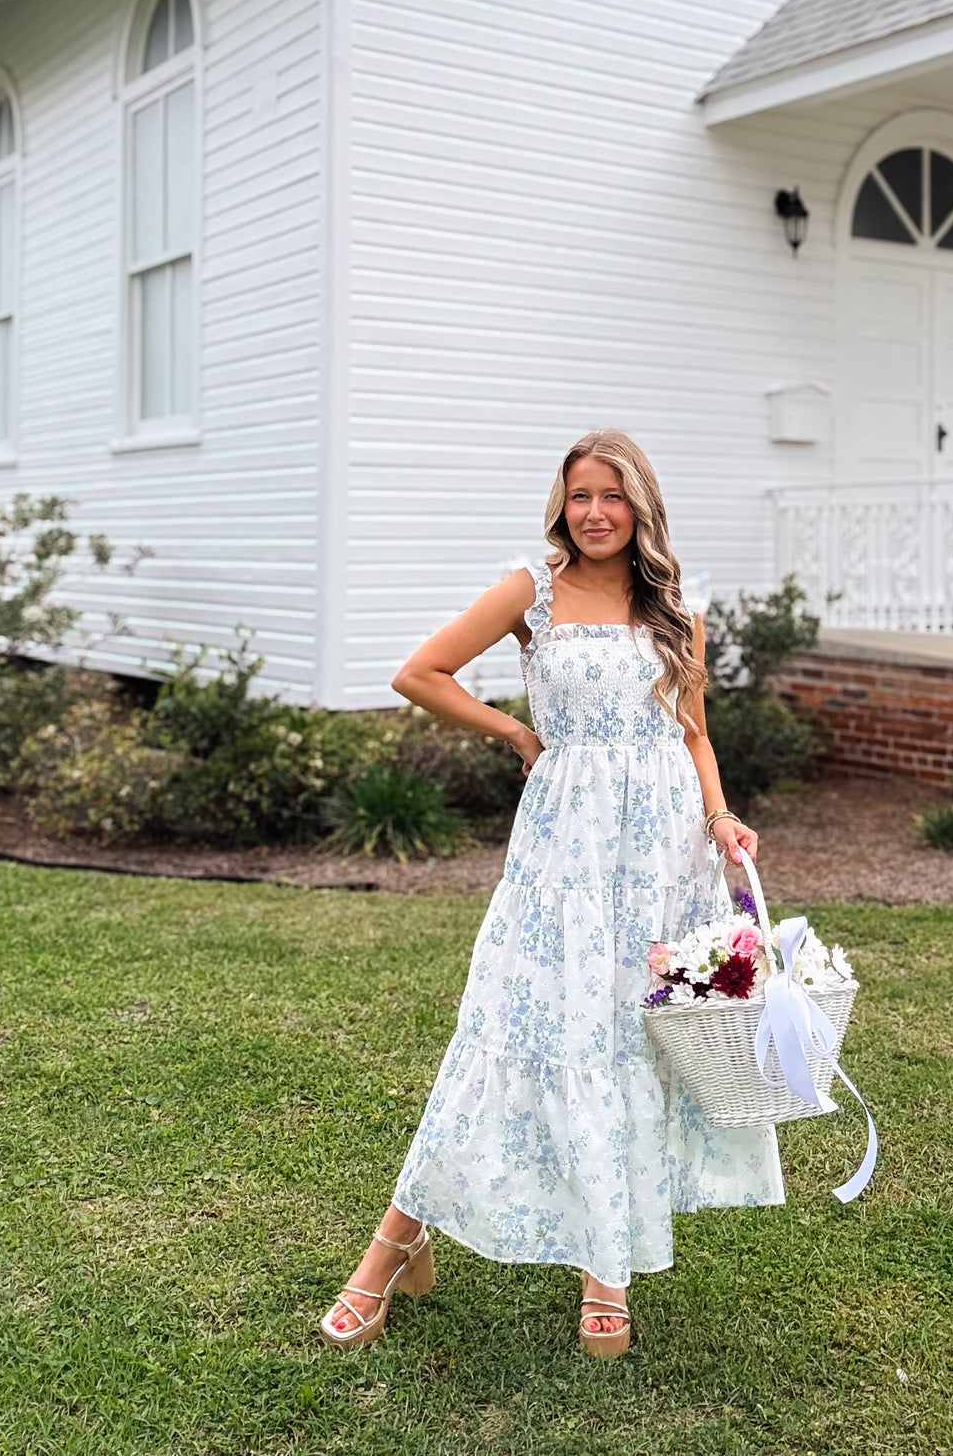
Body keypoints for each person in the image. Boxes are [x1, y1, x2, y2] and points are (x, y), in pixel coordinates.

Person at [319, 429, 783, 1357]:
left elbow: (690, 732)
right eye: (579, 495)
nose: (595, 512)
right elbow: (418, 672)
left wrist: (722, 816)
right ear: (561, 504)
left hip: (660, 853)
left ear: (641, 506)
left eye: (612, 495)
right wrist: (516, 734)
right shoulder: (531, 589)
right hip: (564, 852)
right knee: (513, 1024)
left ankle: (604, 1266)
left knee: (626, 1036)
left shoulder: (675, 612)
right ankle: (392, 1244)